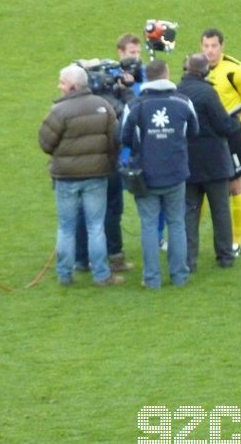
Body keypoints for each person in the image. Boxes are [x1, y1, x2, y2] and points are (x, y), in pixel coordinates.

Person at [39, 64, 124, 286]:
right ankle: (101, 275)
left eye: (62, 82)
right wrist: (108, 161)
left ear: (73, 86)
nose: (59, 86)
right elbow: (116, 138)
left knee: (66, 227)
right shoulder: (103, 106)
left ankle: (65, 275)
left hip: (65, 177)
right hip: (96, 175)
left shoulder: (58, 111)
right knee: (96, 226)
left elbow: (45, 143)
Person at [120, 59, 198, 288]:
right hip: (175, 173)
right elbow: (193, 131)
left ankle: (152, 279)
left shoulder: (135, 106)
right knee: (176, 223)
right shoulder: (183, 102)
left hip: (146, 176)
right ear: (167, 74)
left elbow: (123, 137)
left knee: (148, 224)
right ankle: (179, 276)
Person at [74, 33, 143, 274]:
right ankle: (113, 257)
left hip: (83, 166)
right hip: (109, 163)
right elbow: (128, 123)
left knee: (85, 211)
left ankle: (81, 259)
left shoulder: (79, 106)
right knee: (110, 209)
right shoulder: (115, 105)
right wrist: (124, 91)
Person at [177, 54, 241, 271]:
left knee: (189, 212)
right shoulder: (208, 92)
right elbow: (224, 125)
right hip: (214, 163)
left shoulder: (177, 92)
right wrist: (236, 120)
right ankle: (225, 257)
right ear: (205, 71)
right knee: (220, 211)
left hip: (187, 163)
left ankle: (189, 261)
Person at [201, 28, 241, 256]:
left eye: (213, 46)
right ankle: (191, 238)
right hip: (208, 138)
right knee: (202, 187)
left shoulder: (235, 70)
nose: (209, 51)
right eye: (205, 46)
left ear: (222, 46)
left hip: (232, 136)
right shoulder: (198, 69)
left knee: (236, 187)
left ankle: (236, 241)